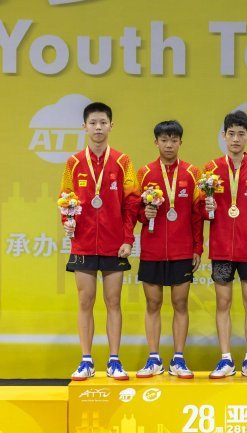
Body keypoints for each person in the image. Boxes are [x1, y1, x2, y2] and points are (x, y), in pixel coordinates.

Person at [60, 102, 139, 381]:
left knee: (113, 301)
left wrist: (128, 238)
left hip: (114, 244)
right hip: (83, 243)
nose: (98, 128)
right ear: (84, 126)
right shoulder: (73, 163)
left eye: (103, 122)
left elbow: (132, 203)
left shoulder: (123, 161)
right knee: (85, 301)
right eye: (92, 123)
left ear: (111, 126)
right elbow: (65, 198)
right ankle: (86, 360)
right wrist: (67, 221)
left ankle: (114, 360)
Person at [203, 111, 247, 380]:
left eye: (241, 134)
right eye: (231, 134)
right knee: (223, 302)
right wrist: (207, 207)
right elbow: (201, 212)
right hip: (221, 248)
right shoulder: (211, 169)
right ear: (223, 136)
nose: (235, 139)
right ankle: (225, 359)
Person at [135, 120, 203, 379]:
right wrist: (145, 214)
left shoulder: (192, 173)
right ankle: (154, 358)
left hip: (182, 250)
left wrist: (198, 247)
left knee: (180, 303)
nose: (169, 145)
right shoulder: (144, 173)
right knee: (153, 303)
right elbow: (134, 212)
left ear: (180, 142)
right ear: (156, 142)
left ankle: (178, 359)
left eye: (174, 140)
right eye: (164, 140)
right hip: (152, 250)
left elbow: (197, 215)